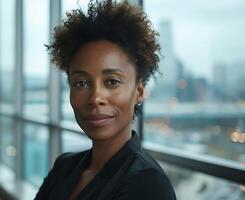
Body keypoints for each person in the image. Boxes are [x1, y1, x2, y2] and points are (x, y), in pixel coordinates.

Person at [35, 0, 176, 199]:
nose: (95, 98)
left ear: (139, 91)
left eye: (112, 81)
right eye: (81, 83)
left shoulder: (147, 184)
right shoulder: (64, 166)